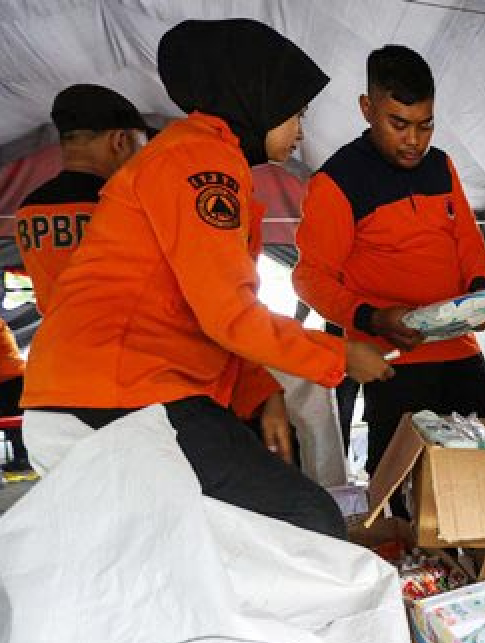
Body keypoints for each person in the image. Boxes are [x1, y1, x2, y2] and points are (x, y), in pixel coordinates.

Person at [20, 18, 394, 539]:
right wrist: (341, 356)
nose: (302, 131)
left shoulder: (197, 157)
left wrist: (261, 392)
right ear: (256, 97)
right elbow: (228, 315)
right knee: (304, 521)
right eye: (297, 113)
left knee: (217, 539)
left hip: (111, 391)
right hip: (119, 396)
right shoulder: (200, 163)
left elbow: (205, 308)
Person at [294, 44, 485, 478]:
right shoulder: (336, 182)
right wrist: (370, 318)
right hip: (392, 362)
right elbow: (310, 278)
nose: (414, 141)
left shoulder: (441, 166)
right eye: (399, 124)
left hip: (461, 352)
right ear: (367, 109)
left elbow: (466, 238)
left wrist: (481, 290)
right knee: (404, 484)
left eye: (426, 125)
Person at [15, 84, 153, 316]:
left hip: (56, 334)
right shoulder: (125, 203)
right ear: (119, 141)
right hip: (124, 332)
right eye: (142, 146)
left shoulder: (27, 209)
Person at [0, 314, 30, 473]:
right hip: (8, 378)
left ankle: (23, 459)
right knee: (12, 421)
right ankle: (22, 458)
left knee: (14, 421)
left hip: (9, 379)